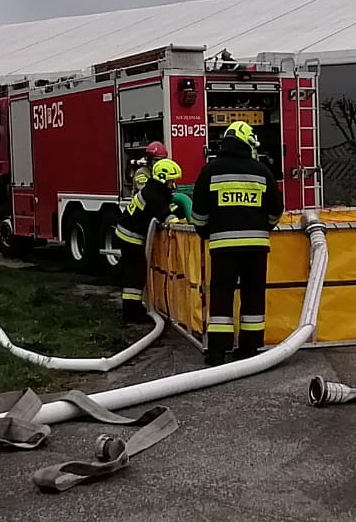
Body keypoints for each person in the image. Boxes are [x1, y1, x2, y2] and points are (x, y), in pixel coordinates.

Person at [191, 120, 282, 364]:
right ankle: (249, 349)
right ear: (247, 143)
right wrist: (265, 226)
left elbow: (199, 210)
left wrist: (204, 230)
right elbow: (276, 209)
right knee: (253, 295)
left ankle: (217, 351)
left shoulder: (211, 170)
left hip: (223, 247)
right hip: (256, 247)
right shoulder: (262, 171)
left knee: (221, 295)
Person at [115, 150, 181, 324]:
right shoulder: (154, 196)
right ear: (162, 179)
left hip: (129, 233)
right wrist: (182, 223)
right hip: (130, 236)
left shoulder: (154, 191)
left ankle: (134, 308)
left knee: (135, 272)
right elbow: (167, 217)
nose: (173, 185)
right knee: (135, 274)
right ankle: (131, 313)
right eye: (171, 181)